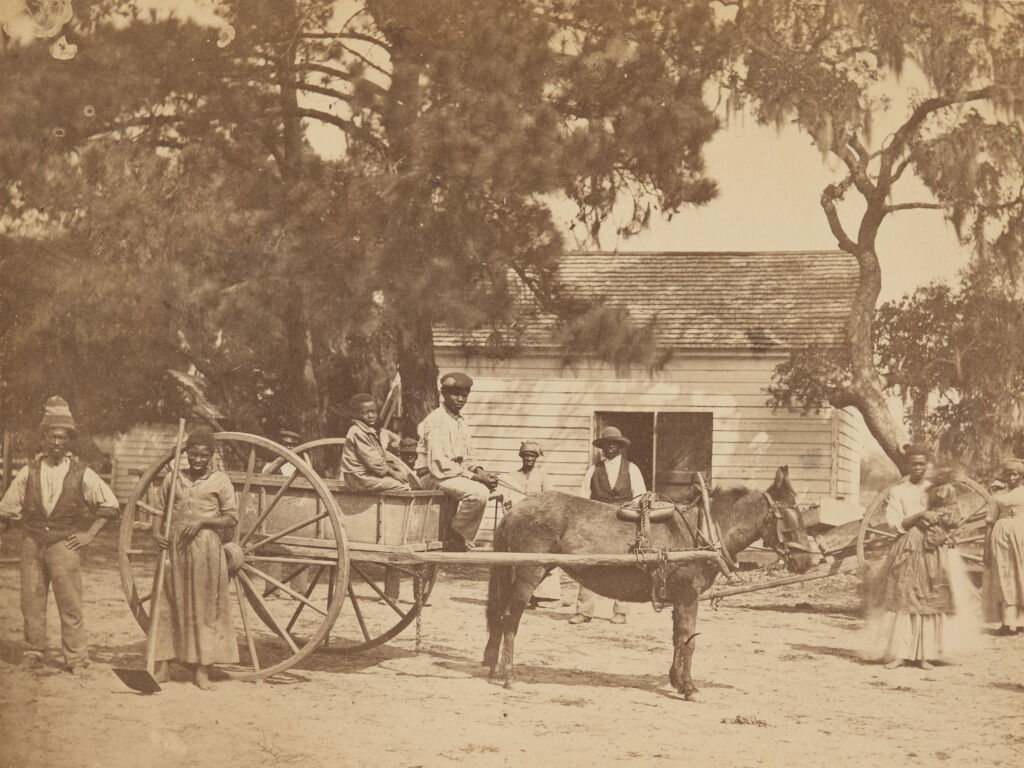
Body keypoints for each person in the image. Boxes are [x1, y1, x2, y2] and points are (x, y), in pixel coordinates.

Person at [0, 397, 120, 673]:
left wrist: (89, 535)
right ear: (42, 439)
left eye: (62, 438)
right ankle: (34, 651)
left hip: (64, 545)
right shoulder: (28, 472)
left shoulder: (82, 474)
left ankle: (76, 658)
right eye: (51, 437)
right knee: (31, 602)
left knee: (70, 604)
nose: (56, 443)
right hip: (32, 544)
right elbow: (6, 510)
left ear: (69, 441)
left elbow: (111, 505)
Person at [865, 452, 978, 669]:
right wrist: (919, 516)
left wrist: (941, 523)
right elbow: (896, 523)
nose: (917, 467)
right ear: (907, 465)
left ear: (927, 465)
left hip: (933, 548)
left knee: (928, 596)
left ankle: (924, 654)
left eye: (921, 464)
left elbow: (952, 517)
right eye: (913, 464)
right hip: (908, 545)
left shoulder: (938, 489)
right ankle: (900, 653)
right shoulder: (898, 492)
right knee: (904, 595)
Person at [152, 426, 239, 690]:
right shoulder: (174, 478)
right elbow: (159, 509)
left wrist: (202, 521)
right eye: (193, 454)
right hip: (175, 548)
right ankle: (164, 666)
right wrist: (156, 532)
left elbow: (231, 518)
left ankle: (202, 670)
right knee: (169, 603)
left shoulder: (220, 481)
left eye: (203, 455)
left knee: (202, 607)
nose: (198, 460)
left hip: (205, 549)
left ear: (211, 455)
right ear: (187, 453)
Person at [569, 426, 646, 625]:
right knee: (589, 564)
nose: (610, 447)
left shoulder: (632, 468)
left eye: (614, 444)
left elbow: (640, 497)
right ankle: (584, 611)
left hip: (624, 522)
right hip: (598, 523)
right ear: (602, 447)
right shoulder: (593, 470)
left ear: (620, 447)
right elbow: (582, 500)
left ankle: (620, 611)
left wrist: (629, 515)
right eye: (606, 444)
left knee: (624, 566)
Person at [415, 372, 498, 552]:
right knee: (478, 493)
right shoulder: (436, 420)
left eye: (465, 394)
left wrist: (480, 471)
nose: (461, 399)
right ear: (443, 394)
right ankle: (454, 535)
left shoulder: (460, 420)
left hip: (450, 475)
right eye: (455, 394)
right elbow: (439, 465)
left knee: (499, 488)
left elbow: (468, 456)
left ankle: (458, 536)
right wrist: (475, 478)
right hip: (431, 476)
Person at [502, 442, 559, 607]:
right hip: (519, 521)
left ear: (536, 458)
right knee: (518, 558)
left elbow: (550, 498)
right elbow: (506, 495)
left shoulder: (542, 476)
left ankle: (543, 596)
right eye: (526, 455)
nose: (529, 459)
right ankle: (520, 595)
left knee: (540, 557)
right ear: (521, 457)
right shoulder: (512, 476)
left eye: (532, 456)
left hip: (538, 522)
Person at [984, 458, 1024, 635]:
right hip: (1001, 538)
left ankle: (1022, 622)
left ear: (1021, 475)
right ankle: (1007, 623)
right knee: (1004, 576)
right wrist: (986, 548)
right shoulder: (998, 496)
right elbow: (990, 522)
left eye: (1015, 474)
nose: (1012, 477)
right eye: (1008, 474)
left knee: (1021, 575)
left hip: (1021, 535)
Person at [340, 393, 412, 493]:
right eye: (366, 413)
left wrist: (394, 469)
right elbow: (373, 459)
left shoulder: (367, 430)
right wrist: (393, 473)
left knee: (403, 480)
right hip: (358, 478)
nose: (371, 415)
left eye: (373, 412)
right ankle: (391, 508)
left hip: (366, 475)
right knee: (402, 486)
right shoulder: (357, 431)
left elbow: (379, 455)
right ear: (356, 414)